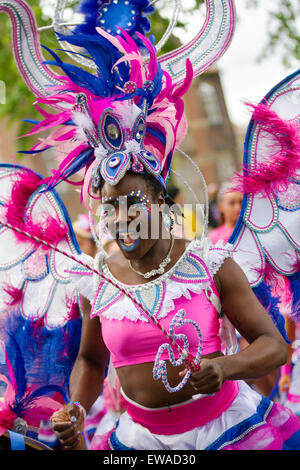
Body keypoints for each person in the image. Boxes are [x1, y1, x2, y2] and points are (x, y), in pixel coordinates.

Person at [209, 181, 243, 245]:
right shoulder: (214, 237)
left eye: (241, 202)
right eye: (232, 203)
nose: (238, 207)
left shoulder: (252, 232)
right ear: (220, 207)